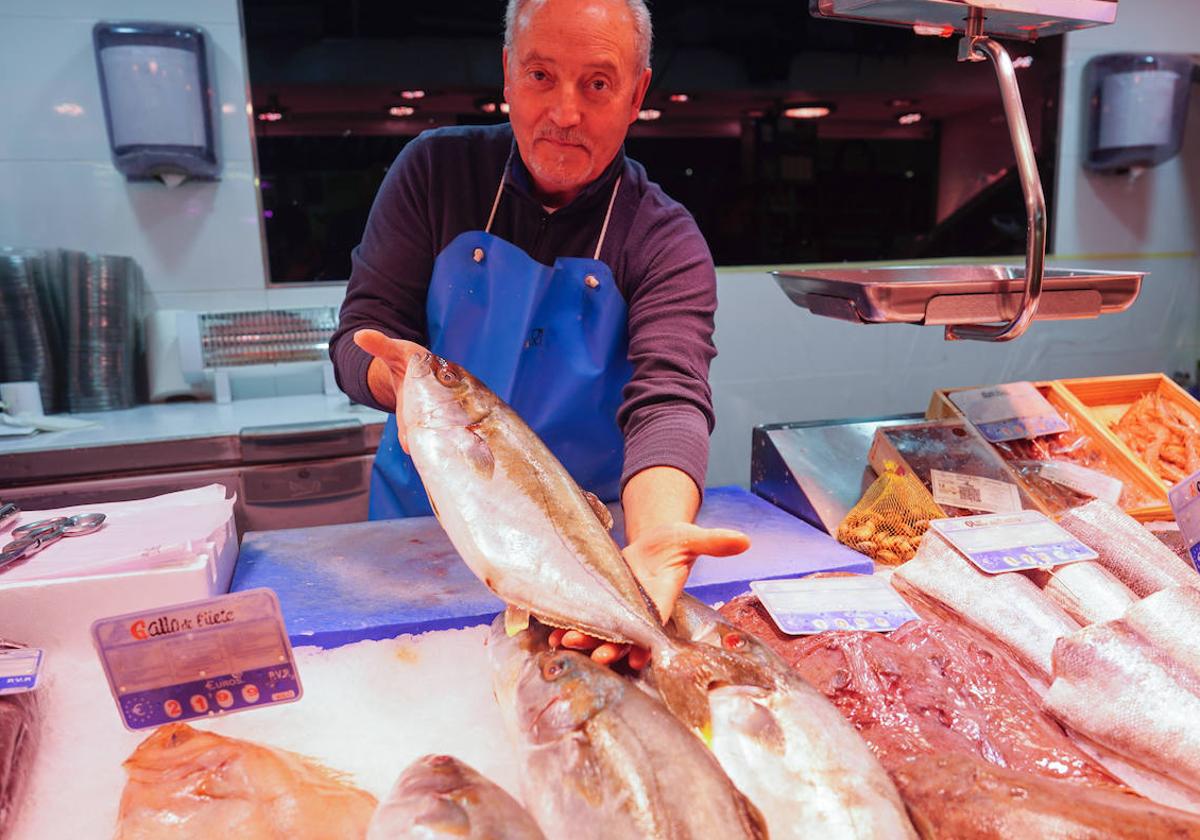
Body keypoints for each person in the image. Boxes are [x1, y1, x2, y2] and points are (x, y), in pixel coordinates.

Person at [330, 0, 747, 666]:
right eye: (541, 76)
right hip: (423, 538)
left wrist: (662, 532)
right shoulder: (434, 173)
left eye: (598, 84)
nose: (564, 113)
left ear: (638, 93)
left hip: (586, 546)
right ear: (507, 75)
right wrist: (399, 379)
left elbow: (669, 398)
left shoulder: (663, 237)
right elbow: (360, 337)